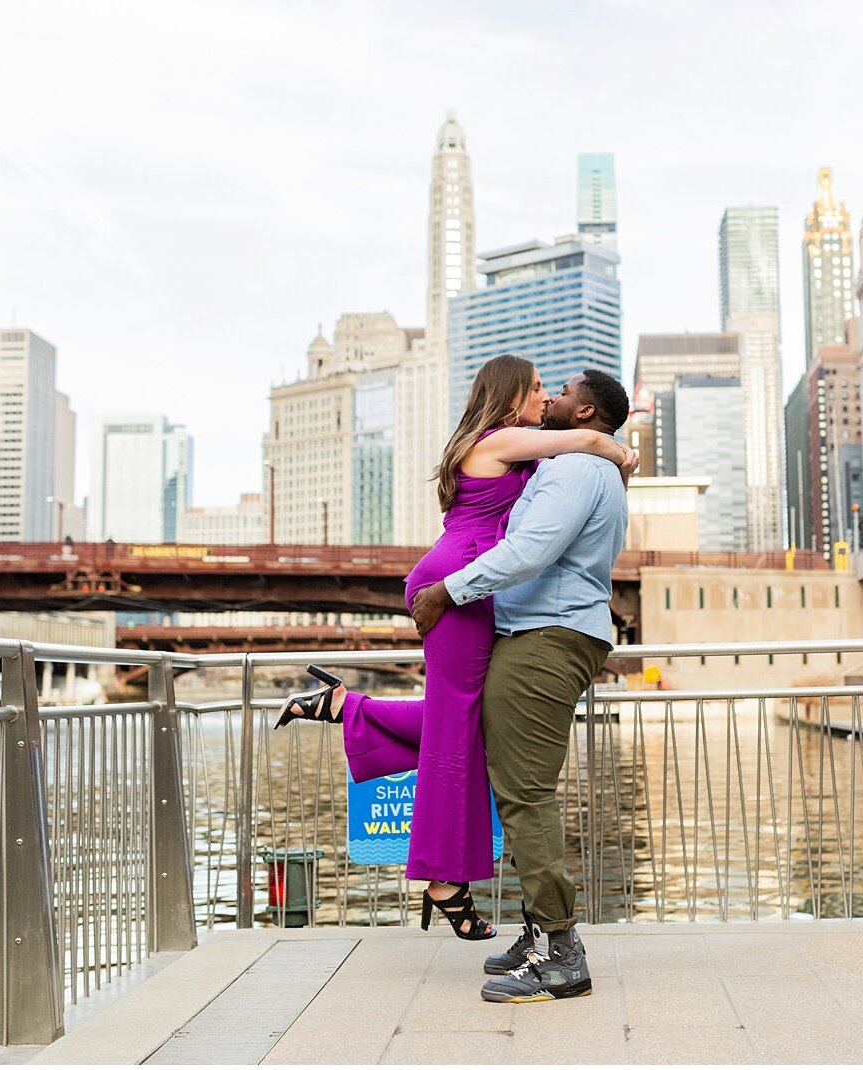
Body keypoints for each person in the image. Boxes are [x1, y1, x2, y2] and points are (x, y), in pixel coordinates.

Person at [273, 356, 637, 941]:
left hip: (469, 586)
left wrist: (611, 457)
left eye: (555, 389)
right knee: (456, 723)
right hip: (459, 585)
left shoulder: (536, 452)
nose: (547, 398)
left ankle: (347, 710)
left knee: (461, 720)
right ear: (512, 394)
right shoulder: (504, 440)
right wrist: (618, 452)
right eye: (540, 388)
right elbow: (590, 441)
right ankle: (443, 878)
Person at [411, 369, 632, 1005]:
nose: (550, 399)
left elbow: (531, 549)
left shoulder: (571, 469)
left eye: (560, 392)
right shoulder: (586, 468)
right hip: (548, 633)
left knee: (526, 793)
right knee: (515, 786)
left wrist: (447, 590)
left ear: (585, 412)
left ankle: (561, 954)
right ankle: (538, 932)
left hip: (545, 638)